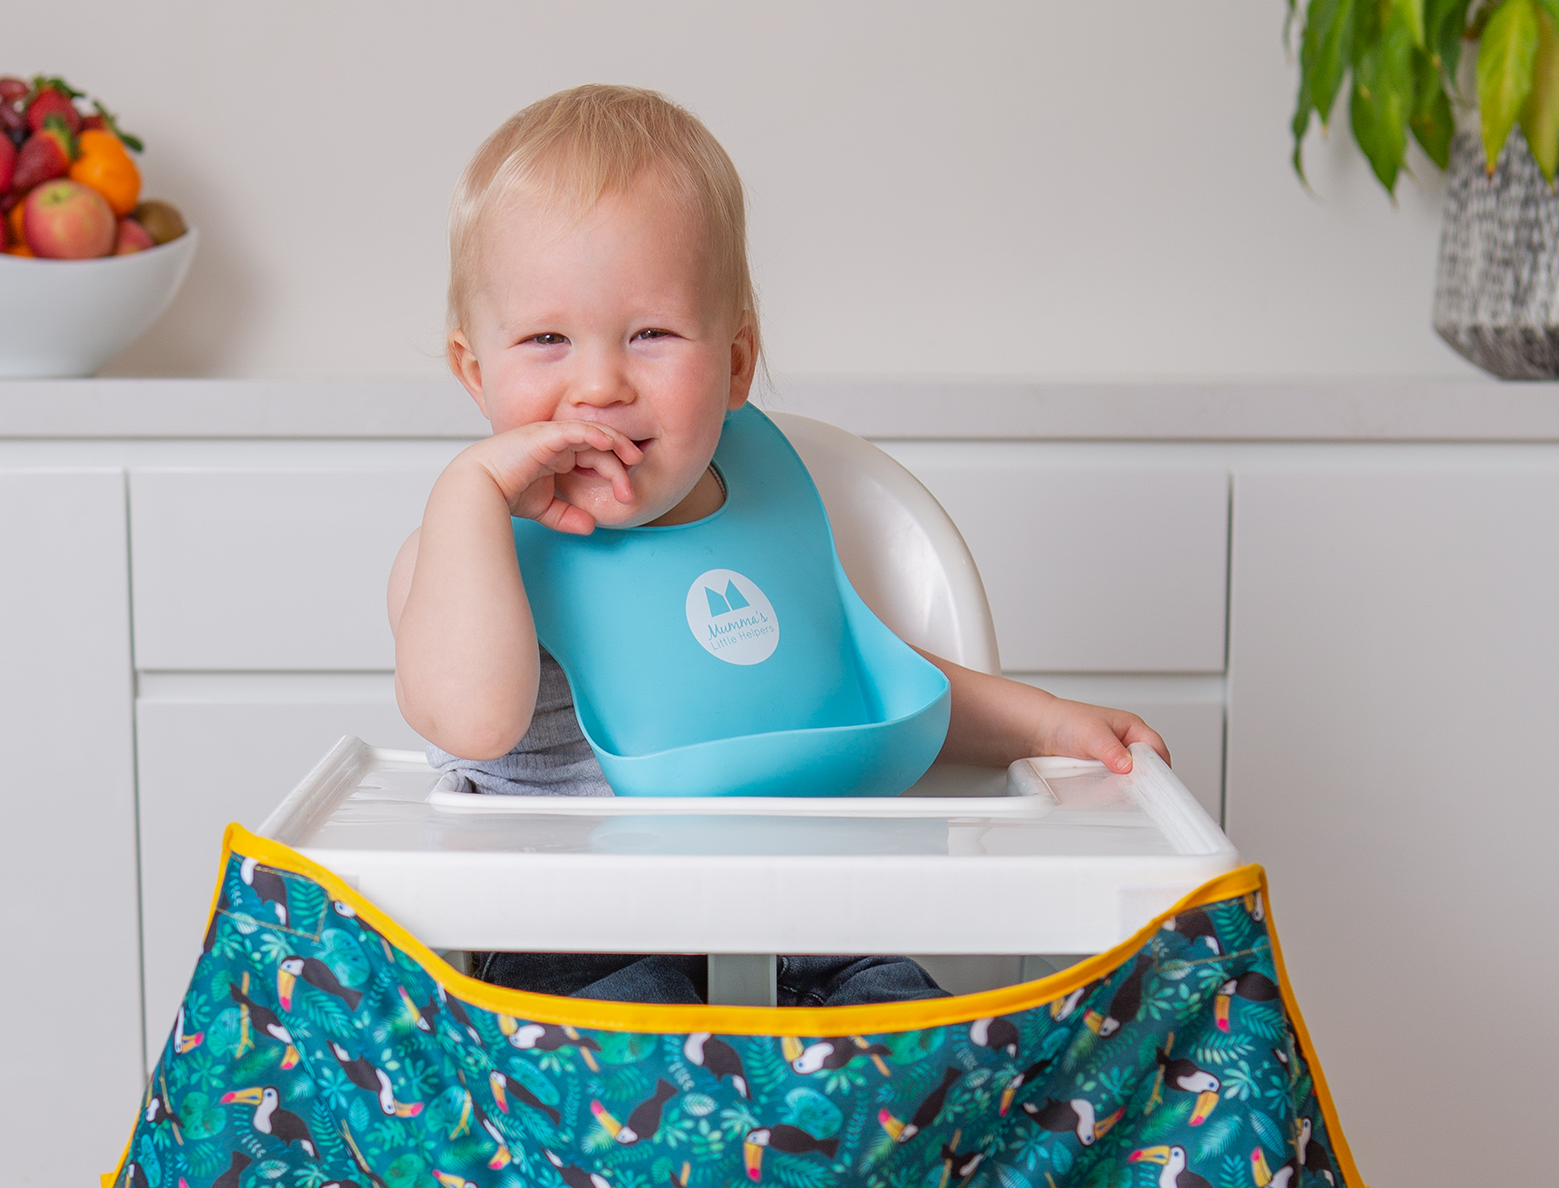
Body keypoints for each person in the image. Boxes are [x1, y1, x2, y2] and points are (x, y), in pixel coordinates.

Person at [388, 85, 1168, 1005]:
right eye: (547, 339)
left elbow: (865, 679)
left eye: (651, 334)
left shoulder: (767, 500)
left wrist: (1046, 723)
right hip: (581, 940)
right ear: (474, 372)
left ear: (735, 363)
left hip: (814, 917)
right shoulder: (466, 549)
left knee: (906, 1037)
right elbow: (474, 721)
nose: (599, 383)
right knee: (639, 1078)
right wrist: (471, 497)